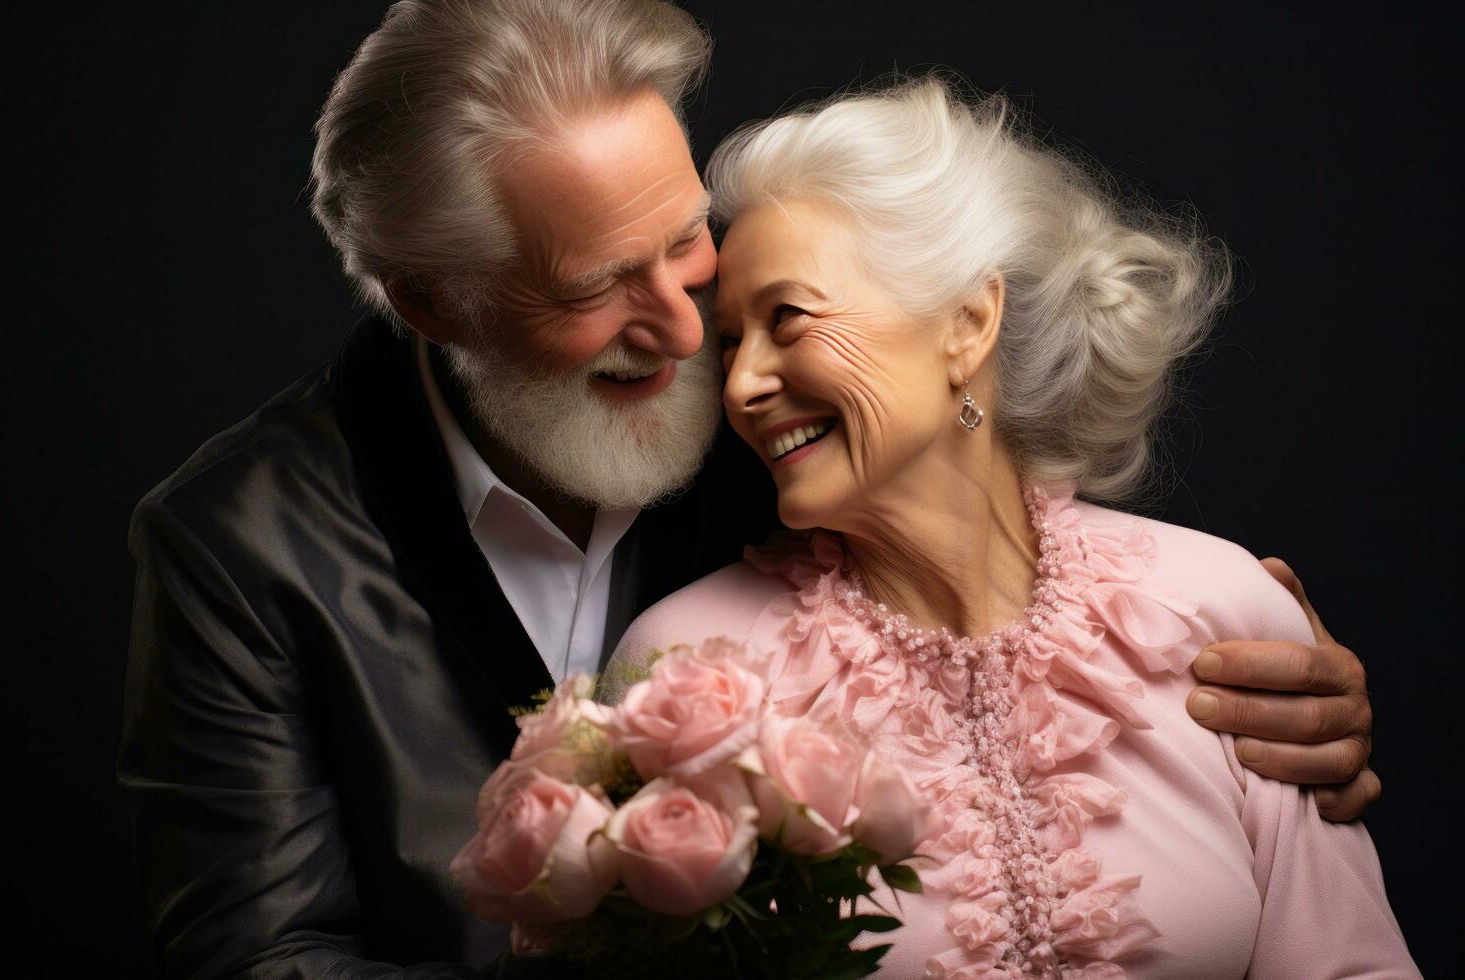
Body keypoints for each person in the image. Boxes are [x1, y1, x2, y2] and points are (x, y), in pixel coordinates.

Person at [117, 1, 1379, 975]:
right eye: (596, 284)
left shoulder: (804, 428)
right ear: (435, 303)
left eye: (685, 245)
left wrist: (1269, 671)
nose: (688, 340)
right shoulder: (239, 542)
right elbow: (258, 956)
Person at [604, 77, 1416, 976]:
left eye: (786, 319)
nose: (740, 386)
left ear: (968, 321)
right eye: (729, 344)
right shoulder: (691, 672)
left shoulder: (1215, 611)